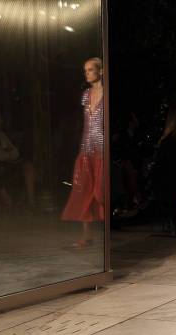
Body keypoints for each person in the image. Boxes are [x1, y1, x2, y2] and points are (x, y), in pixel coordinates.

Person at [61, 57, 105, 248]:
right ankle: (87, 236)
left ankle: (106, 232)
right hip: (87, 148)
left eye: (90, 70)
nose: (87, 73)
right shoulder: (86, 95)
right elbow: (85, 123)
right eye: (85, 70)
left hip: (102, 150)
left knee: (100, 192)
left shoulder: (107, 94)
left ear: (101, 71)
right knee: (83, 189)